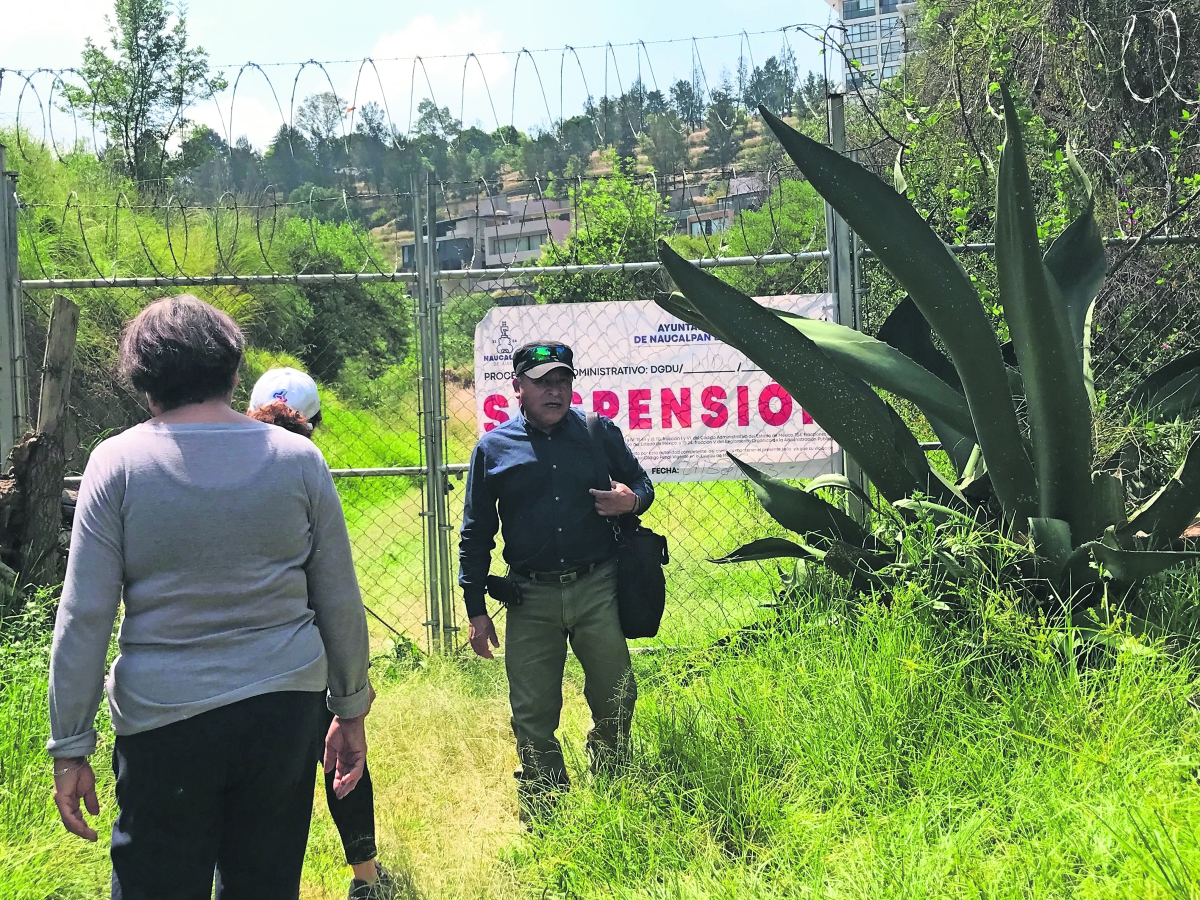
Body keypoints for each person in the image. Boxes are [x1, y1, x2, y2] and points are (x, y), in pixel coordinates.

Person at [47, 295, 372, 900]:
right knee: (265, 885)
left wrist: (71, 745)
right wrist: (349, 708)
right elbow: (339, 600)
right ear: (232, 370)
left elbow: (84, 617)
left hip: (164, 721)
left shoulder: (115, 464)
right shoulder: (300, 459)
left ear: (144, 380)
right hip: (284, 710)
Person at [459, 341, 655, 819]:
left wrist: (630, 503)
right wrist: (476, 612)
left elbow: (643, 485)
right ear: (517, 388)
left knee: (617, 691)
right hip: (530, 597)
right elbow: (475, 535)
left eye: (562, 381)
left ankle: (610, 775)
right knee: (531, 711)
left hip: (597, 587)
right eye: (542, 381)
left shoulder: (597, 432)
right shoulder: (492, 449)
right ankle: (546, 806)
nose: (554, 390)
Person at [248, 368, 395, 900]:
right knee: (343, 759)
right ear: (317, 422)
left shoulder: (221, 470)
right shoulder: (309, 468)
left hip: (245, 658)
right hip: (308, 651)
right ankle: (367, 876)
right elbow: (334, 588)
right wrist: (351, 689)